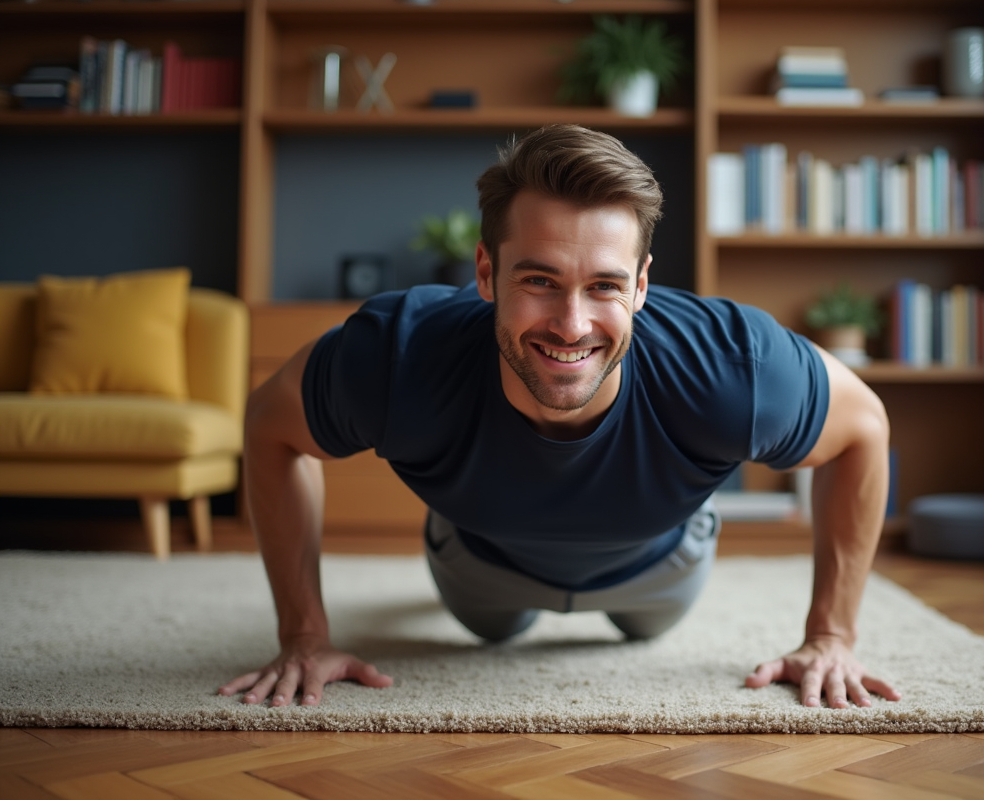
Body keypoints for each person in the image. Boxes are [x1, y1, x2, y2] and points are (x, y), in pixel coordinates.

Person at [219, 124, 901, 711]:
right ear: (486, 273)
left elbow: (863, 428)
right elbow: (269, 426)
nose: (571, 325)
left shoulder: (732, 366)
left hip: (663, 568)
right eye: (539, 281)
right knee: (492, 631)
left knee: (646, 628)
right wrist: (303, 637)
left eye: (604, 285)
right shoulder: (398, 357)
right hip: (478, 568)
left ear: (641, 286)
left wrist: (831, 637)